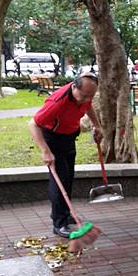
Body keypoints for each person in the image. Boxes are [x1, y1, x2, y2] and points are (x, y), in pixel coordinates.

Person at [29, 73, 102, 238]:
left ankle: (65, 213)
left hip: (68, 137)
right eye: (83, 96)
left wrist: (97, 126)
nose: (86, 99)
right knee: (59, 180)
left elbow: (88, 106)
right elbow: (33, 124)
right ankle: (59, 223)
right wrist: (45, 151)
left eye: (90, 96)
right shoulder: (57, 102)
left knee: (68, 177)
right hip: (52, 139)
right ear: (74, 87)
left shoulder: (85, 94)